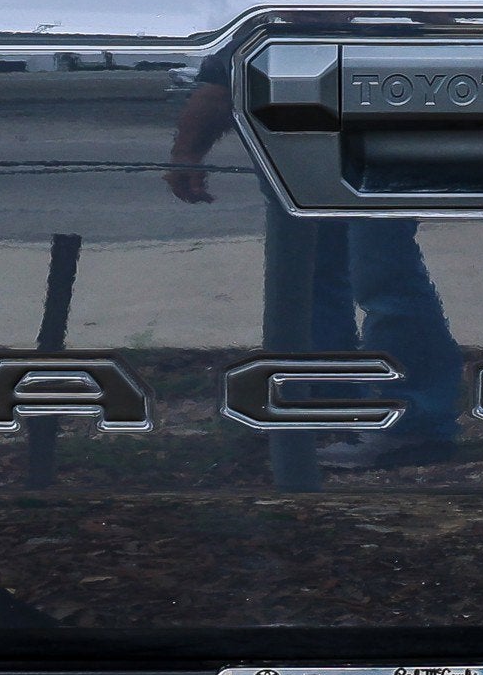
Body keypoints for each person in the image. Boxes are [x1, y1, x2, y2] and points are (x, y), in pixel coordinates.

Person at [165, 67, 461, 477]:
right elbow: (225, 76)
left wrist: (187, 152)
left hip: (379, 128)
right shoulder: (276, 8)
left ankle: (414, 422)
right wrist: (186, 152)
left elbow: (223, 79)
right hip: (295, 141)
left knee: (382, 274)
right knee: (313, 277)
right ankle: (327, 408)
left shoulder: (377, 5)